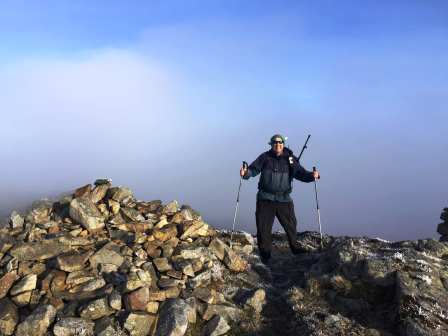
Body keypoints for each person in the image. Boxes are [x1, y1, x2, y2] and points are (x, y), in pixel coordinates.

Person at [240, 134, 320, 263]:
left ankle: (295, 248)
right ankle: (265, 256)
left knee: (291, 226)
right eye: (275, 143)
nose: (278, 145)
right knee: (263, 228)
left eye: (280, 143)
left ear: (283, 144)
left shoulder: (291, 159)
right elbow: (253, 170)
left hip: (284, 199)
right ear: (271, 144)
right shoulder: (265, 157)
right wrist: (245, 173)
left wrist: (312, 175)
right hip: (265, 198)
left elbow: (300, 173)